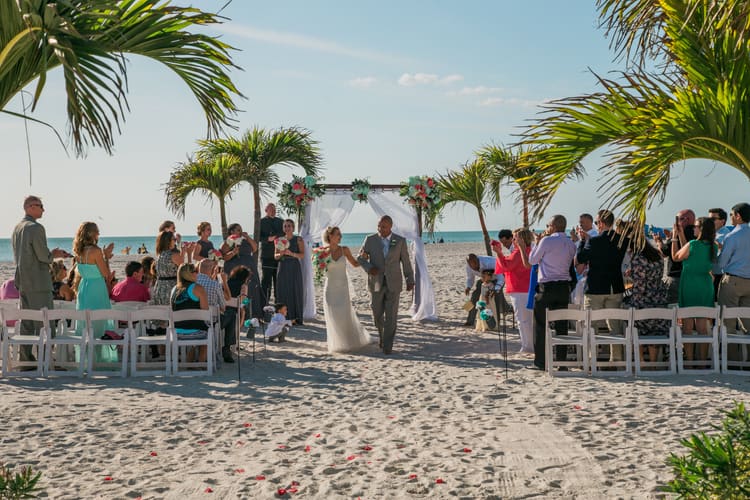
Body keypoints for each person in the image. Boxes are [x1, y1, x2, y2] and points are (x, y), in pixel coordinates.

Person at [11, 196, 70, 361]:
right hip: (38, 281)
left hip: (23, 281)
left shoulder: (17, 228)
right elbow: (43, 256)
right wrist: (55, 255)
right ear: (30, 207)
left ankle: (26, 358)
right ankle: (46, 360)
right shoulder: (35, 228)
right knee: (46, 321)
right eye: (40, 206)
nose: (43, 209)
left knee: (27, 321)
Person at [518, 214, 576, 371]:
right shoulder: (571, 243)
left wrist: (534, 244)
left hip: (547, 287)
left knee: (541, 325)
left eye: (548, 225)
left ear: (554, 226)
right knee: (561, 325)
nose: (547, 228)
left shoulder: (546, 241)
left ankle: (541, 362)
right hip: (564, 288)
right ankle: (562, 362)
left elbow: (532, 261)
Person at [576, 210, 629, 362]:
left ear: (601, 223)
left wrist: (582, 241)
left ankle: (592, 358)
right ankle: (616, 358)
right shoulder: (622, 240)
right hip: (614, 286)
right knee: (614, 326)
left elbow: (580, 258)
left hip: (595, 287)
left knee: (590, 324)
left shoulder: (594, 241)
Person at [357, 215, 415, 355]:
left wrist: (410, 279)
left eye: (383, 226)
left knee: (391, 316)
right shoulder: (370, 240)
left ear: (390, 226)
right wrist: (370, 268)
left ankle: (388, 345)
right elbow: (360, 258)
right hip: (376, 282)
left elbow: (406, 262)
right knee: (376, 314)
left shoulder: (400, 241)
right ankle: (382, 336)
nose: (380, 229)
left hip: (394, 283)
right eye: (378, 226)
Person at [672, 216, 717, 362]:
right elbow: (690, 252)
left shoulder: (693, 244)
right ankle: (702, 361)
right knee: (702, 327)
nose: (694, 228)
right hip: (704, 285)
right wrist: (681, 234)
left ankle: (690, 361)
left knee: (687, 326)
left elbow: (676, 257)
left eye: (696, 226)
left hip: (690, 284)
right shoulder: (713, 246)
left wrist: (674, 237)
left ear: (702, 229)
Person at [72, 222, 118, 364]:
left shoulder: (78, 251)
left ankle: (86, 360)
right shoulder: (95, 251)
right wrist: (106, 257)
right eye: (97, 232)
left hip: (84, 287)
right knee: (99, 323)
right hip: (97, 288)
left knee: (86, 324)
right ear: (92, 234)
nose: (98, 234)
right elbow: (106, 274)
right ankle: (98, 361)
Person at [320, 226, 372, 353]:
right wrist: (318, 263)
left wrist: (363, 258)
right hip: (330, 288)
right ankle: (336, 343)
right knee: (333, 314)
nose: (340, 237)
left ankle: (348, 341)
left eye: (340, 234)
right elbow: (320, 271)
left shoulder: (344, 250)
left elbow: (355, 264)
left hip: (343, 288)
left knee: (344, 314)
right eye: (337, 234)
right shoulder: (322, 252)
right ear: (330, 236)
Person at [624, 237, 669, 364]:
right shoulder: (657, 255)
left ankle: (642, 362)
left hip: (644, 300)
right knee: (655, 331)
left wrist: (632, 301)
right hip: (659, 298)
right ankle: (653, 363)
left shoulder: (639, 258)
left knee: (635, 328)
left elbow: (640, 285)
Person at [494, 228, 534, 354]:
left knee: (522, 320)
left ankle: (527, 346)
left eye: (515, 237)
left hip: (520, 289)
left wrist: (499, 253)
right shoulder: (531, 250)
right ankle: (530, 344)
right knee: (528, 319)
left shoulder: (518, 253)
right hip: (527, 288)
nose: (514, 240)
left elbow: (507, 265)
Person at [717, 203, 750, 334]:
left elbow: (722, 263)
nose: (730, 217)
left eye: (731, 214)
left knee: (727, 321)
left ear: (738, 216)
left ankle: (730, 354)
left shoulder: (732, 236)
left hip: (733, 280)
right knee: (748, 322)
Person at [222, 223, 264, 318]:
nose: (240, 231)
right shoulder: (228, 241)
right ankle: (238, 313)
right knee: (237, 289)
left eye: (241, 229)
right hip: (234, 268)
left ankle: (253, 313)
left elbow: (255, 248)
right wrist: (233, 253)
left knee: (252, 286)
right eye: (238, 230)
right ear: (232, 231)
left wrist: (248, 237)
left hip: (249, 267)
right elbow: (223, 256)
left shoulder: (245, 240)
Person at [170, 263, 209, 363]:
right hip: (195, 332)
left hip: (176, 332)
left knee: (198, 330)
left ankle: (190, 362)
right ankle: (201, 363)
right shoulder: (198, 288)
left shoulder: (174, 289)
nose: (198, 273)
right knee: (208, 332)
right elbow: (205, 312)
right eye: (195, 271)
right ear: (189, 274)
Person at [195, 258, 232, 362]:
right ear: (212, 269)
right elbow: (223, 306)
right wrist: (223, 281)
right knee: (231, 315)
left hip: (193, 321)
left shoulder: (190, 282)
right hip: (210, 322)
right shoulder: (214, 284)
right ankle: (226, 348)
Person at [660, 209, 696, 304]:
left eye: (678, 219)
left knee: (673, 307)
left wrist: (659, 242)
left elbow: (665, 252)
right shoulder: (698, 235)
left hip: (676, 277)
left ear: (686, 219)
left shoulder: (681, 233)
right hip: (692, 278)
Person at [274, 219, 305, 325]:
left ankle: (296, 318)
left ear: (293, 228)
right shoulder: (279, 240)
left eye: (289, 226)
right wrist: (281, 253)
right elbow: (276, 256)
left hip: (294, 267)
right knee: (283, 290)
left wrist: (292, 254)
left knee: (295, 290)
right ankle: (284, 318)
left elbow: (302, 255)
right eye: (285, 226)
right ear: (283, 228)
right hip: (282, 266)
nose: (287, 228)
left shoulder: (298, 239)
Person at [152, 231, 194, 307]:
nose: (175, 241)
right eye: (174, 239)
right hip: (170, 288)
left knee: (161, 313)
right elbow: (187, 270)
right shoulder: (172, 255)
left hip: (159, 287)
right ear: (168, 241)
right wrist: (188, 253)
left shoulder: (161, 254)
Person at [464, 253, 504, 327]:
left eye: (476, 263)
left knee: (495, 299)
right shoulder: (469, 266)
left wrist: (496, 289)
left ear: (477, 260)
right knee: (474, 297)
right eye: (471, 265)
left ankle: (496, 323)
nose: (474, 266)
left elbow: (501, 278)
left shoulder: (490, 262)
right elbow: (470, 278)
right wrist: (468, 287)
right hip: (484, 280)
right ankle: (470, 321)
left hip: (497, 278)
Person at [259, 203, 285, 303]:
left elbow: (284, 234)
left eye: (274, 209)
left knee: (278, 280)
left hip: (279, 255)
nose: (273, 211)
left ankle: (278, 302)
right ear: (266, 210)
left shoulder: (281, 221)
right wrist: (267, 239)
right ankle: (264, 302)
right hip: (267, 255)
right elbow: (258, 237)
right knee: (266, 281)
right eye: (271, 209)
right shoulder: (261, 222)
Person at [709, 208, 731, 300]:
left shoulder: (724, 233)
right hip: (714, 273)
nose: (709, 222)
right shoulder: (715, 233)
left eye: (713, 219)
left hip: (719, 275)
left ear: (722, 221)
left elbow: (720, 248)